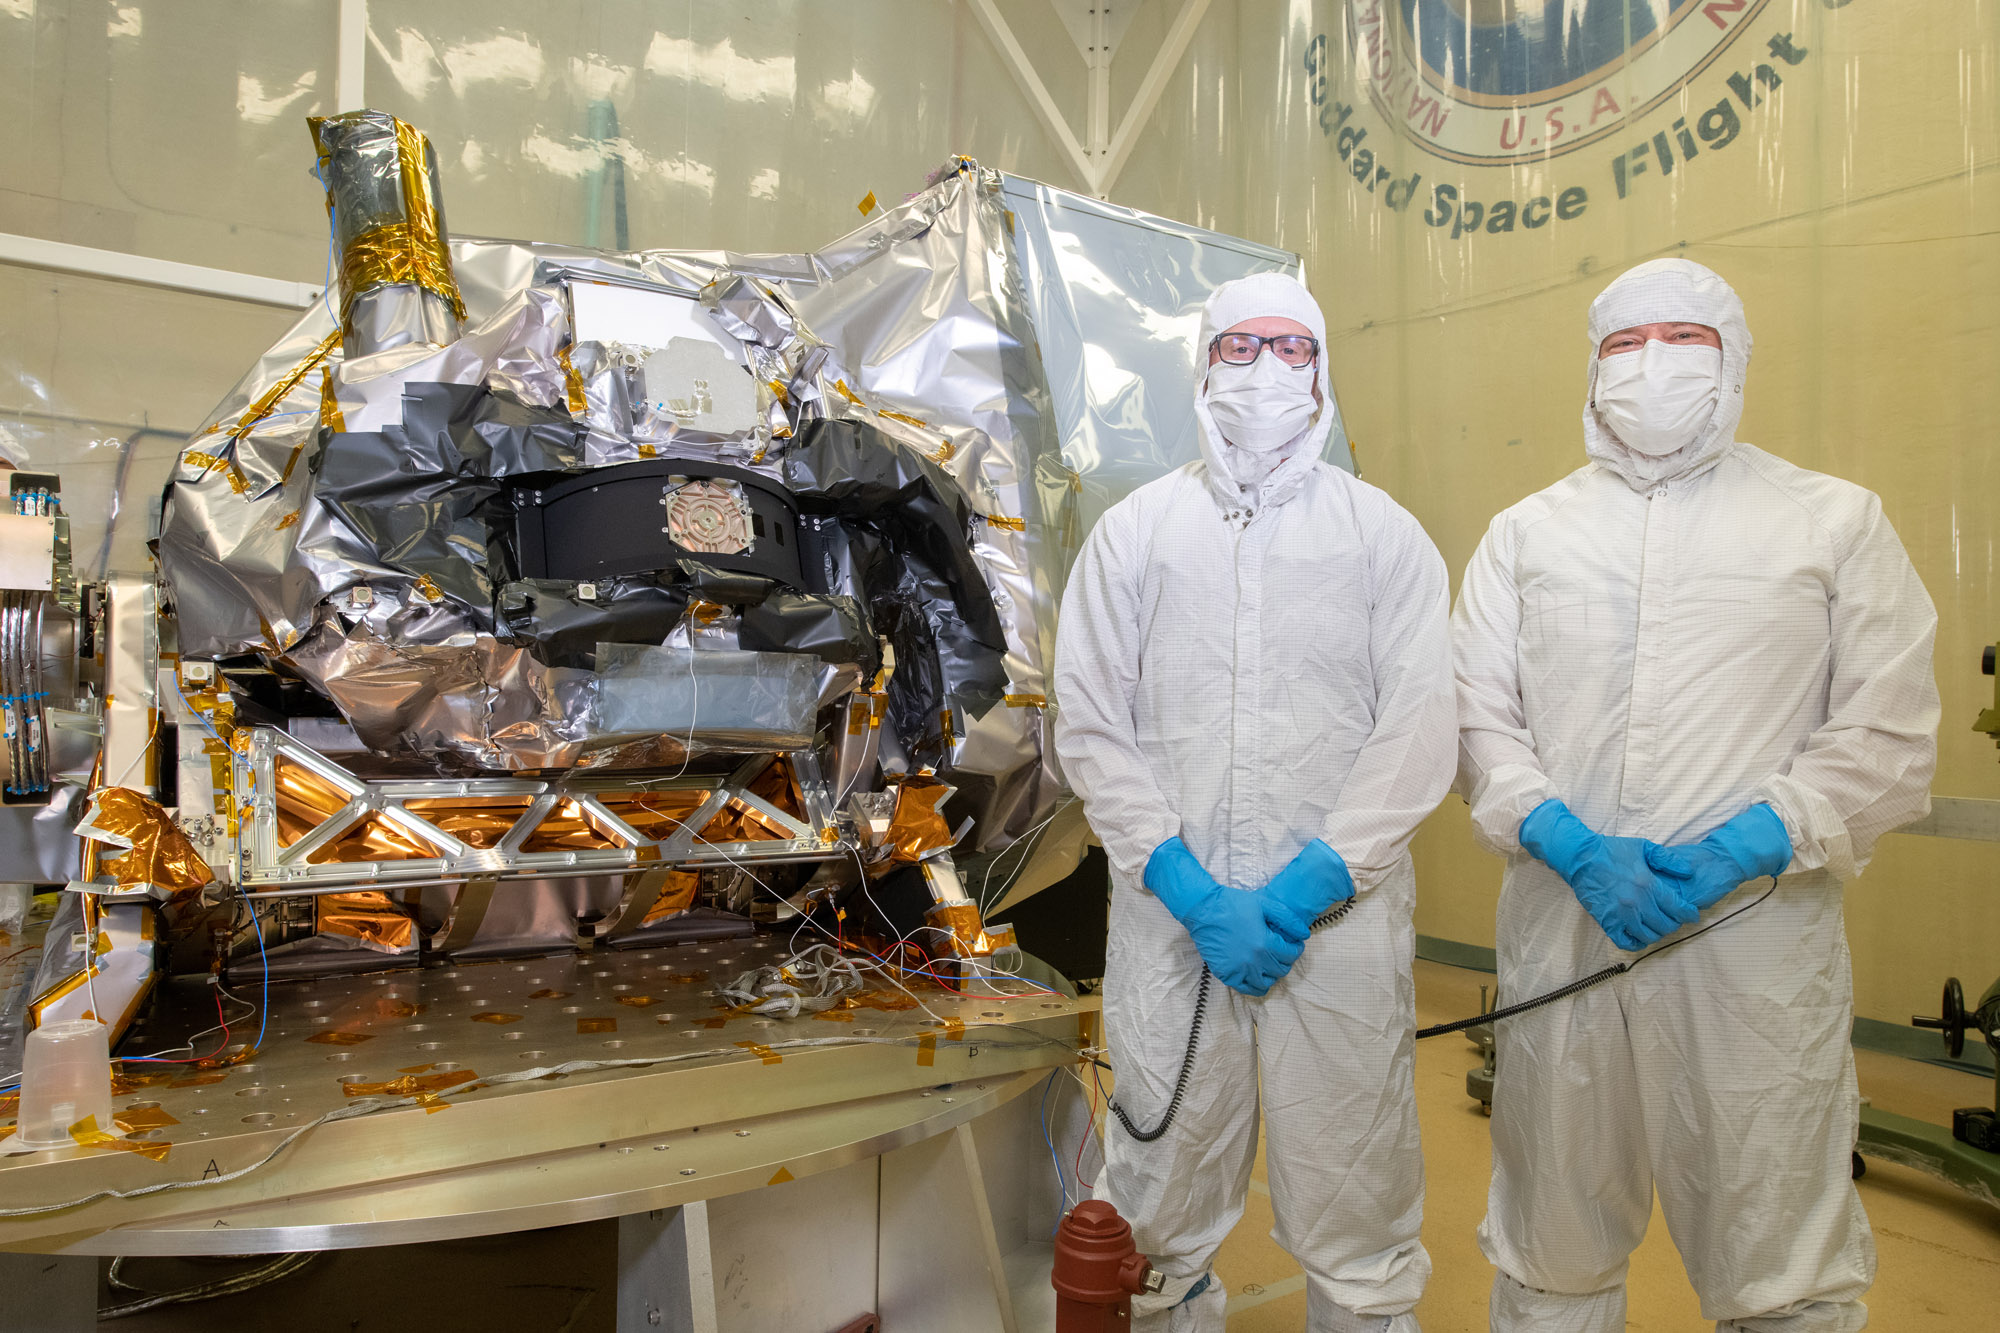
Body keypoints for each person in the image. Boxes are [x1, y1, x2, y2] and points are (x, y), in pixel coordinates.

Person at [1453, 258, 1939, 1332]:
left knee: (1783, 1270)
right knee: (1549, 1249)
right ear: (1589, 368)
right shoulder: (1524, 534)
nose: (1652, 363)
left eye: (1684, 338)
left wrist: (1752, 841)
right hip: (1563, 938)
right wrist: (1566, 840)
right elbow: (1476, 717)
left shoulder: (1829, 522)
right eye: (1625, 342)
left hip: (1751, 951)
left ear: (1733, 363)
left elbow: (1888, 725)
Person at [1054, 272, 1457, 1332]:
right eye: (1239, 349)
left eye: (1289, 348)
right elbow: (1090, 722)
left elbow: (1418, 730)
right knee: (1154, 1201)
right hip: (1170, 928)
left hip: (1337, 931)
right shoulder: (1135, 534)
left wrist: (1313, 880)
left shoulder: (1383, 538)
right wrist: (1181, 879)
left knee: (1355, 1201)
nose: (1264, 371)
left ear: (1321, 371)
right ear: (1201, 369)